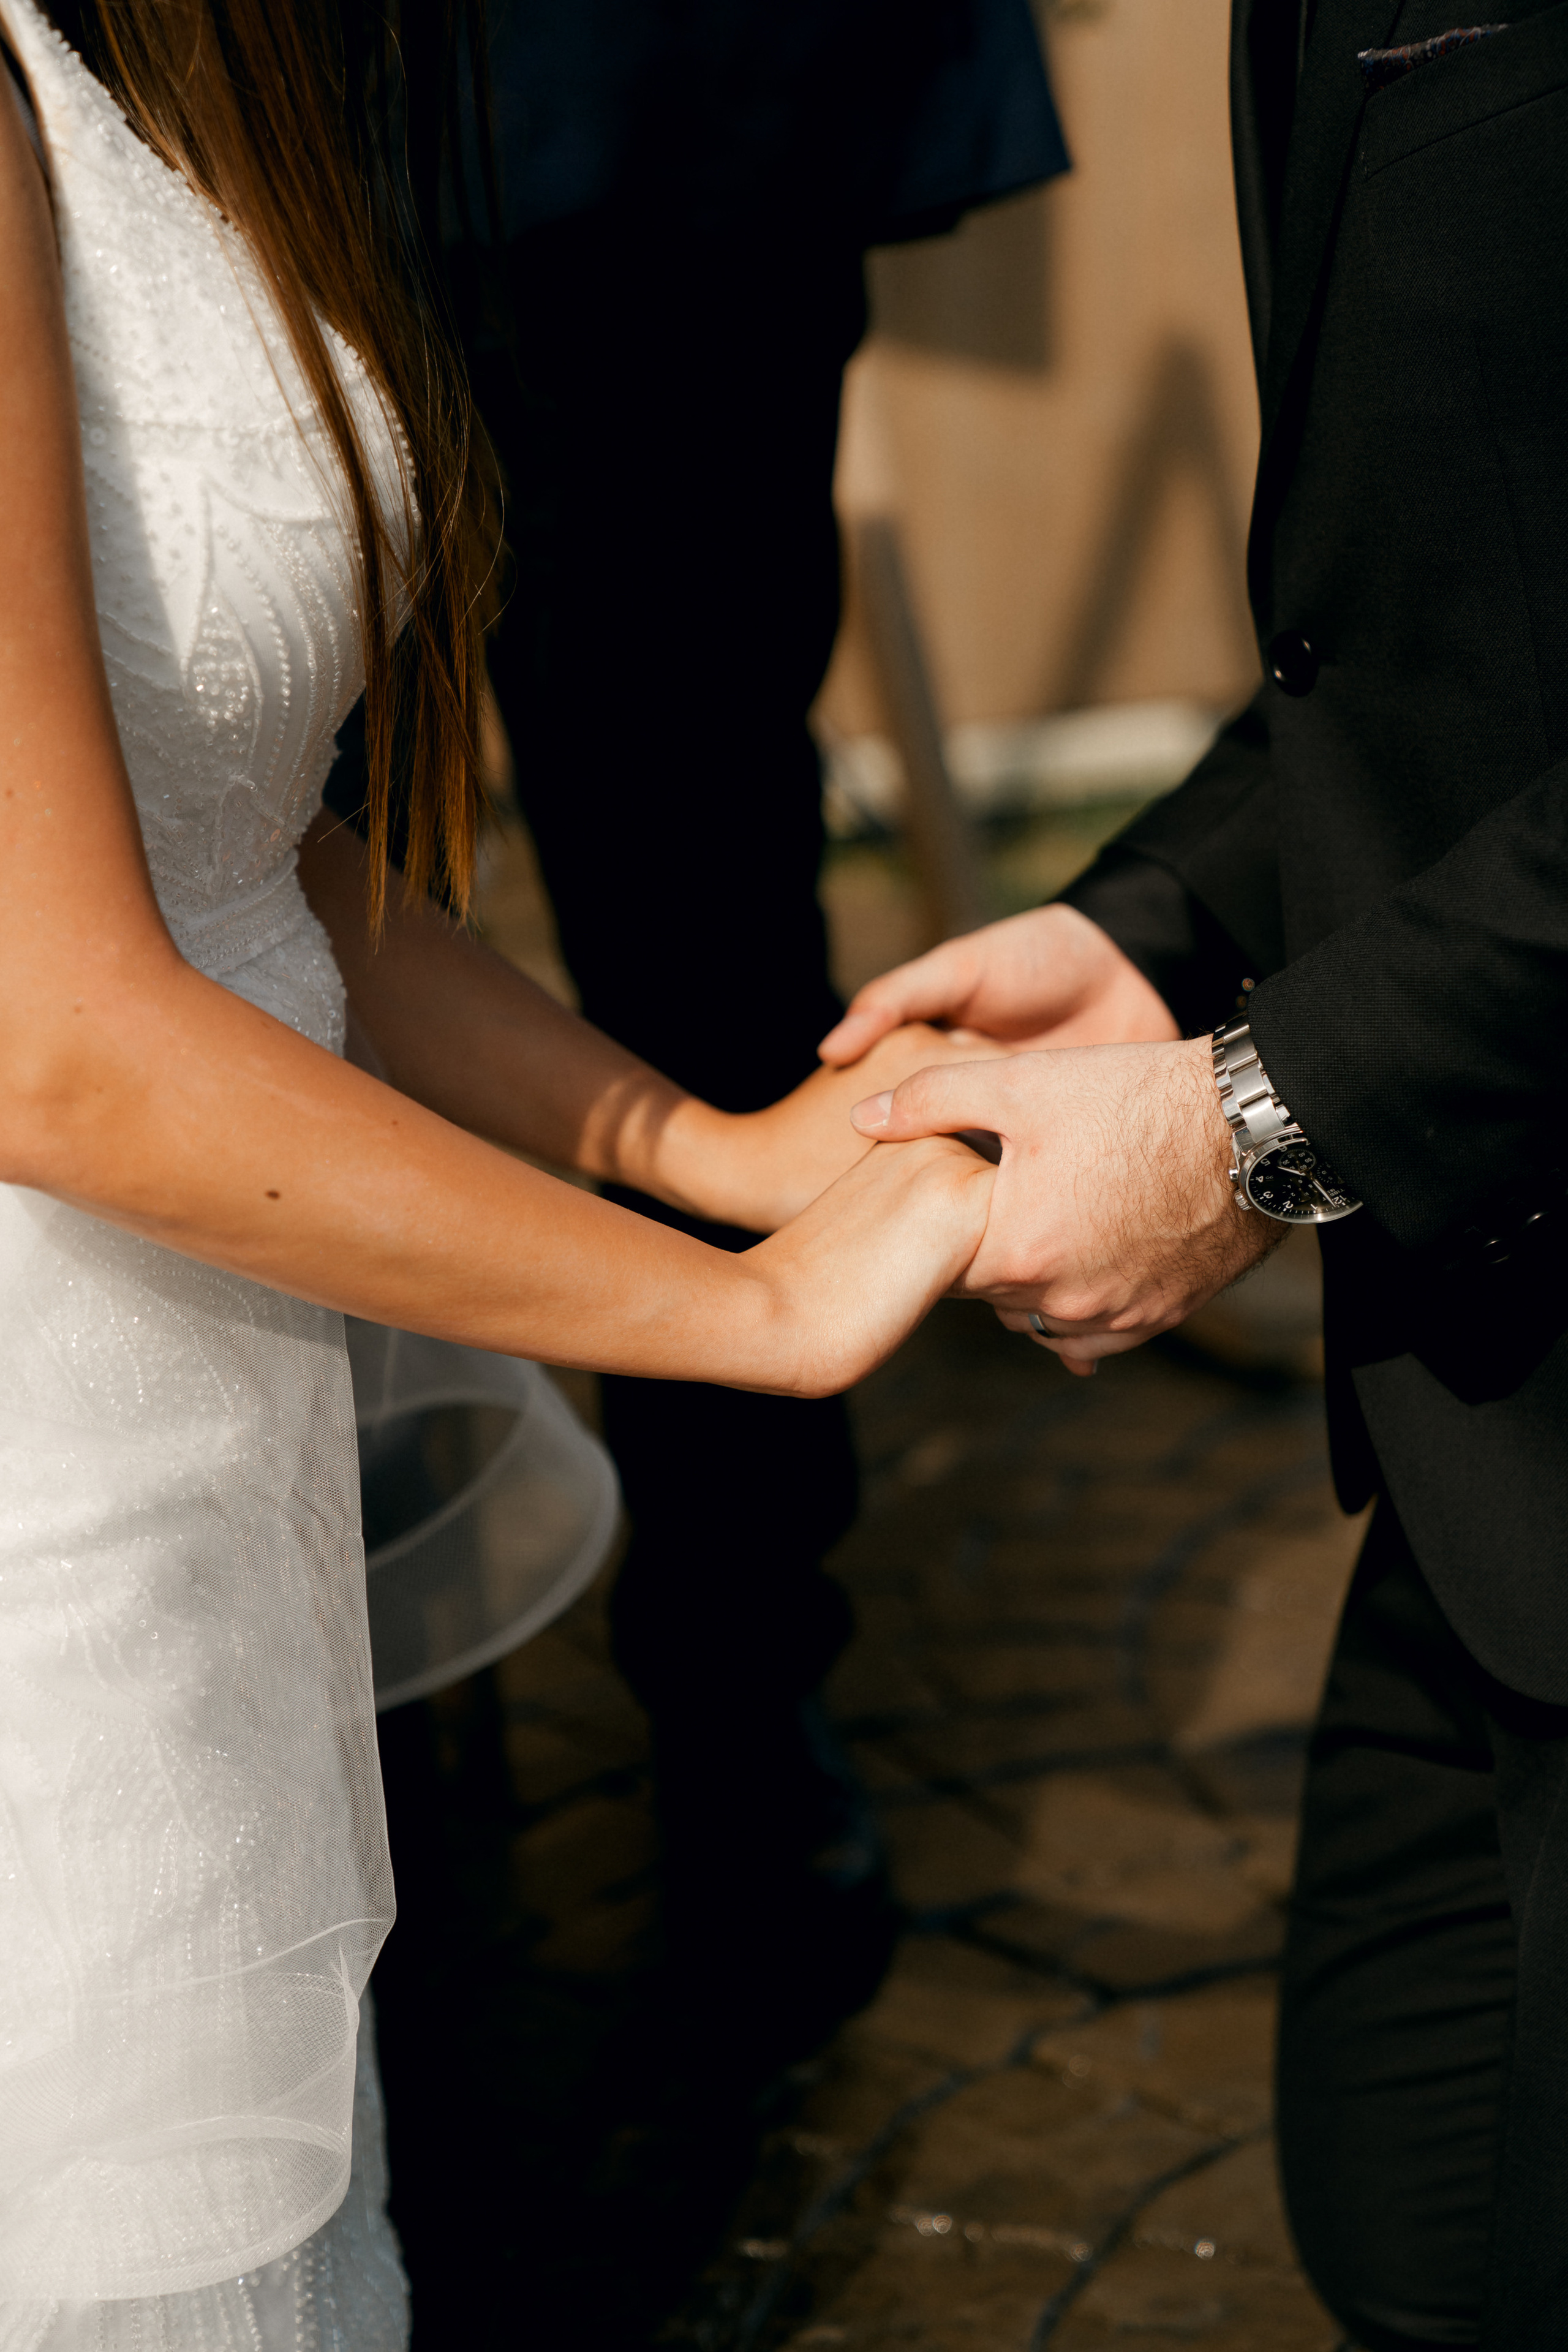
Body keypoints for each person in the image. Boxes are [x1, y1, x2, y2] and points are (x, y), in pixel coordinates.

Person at [0, 0, 996, 2339]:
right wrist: (756, 1318)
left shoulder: (140, 66)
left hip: (200, 1492)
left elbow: (237, 830)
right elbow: (51, 1035)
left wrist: (716, 1153)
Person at [819, 4, 1568, 2345]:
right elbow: (1459, 600)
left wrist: (1266, 1117)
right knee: (1420, 2207)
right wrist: (1159, 923)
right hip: (1501, 1416)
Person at [428, 0, 1069, 2026]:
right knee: (234, 899)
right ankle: (363, 1665)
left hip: (667, 98)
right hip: (215, 109)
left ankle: (738, 1662)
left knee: (700, 898)